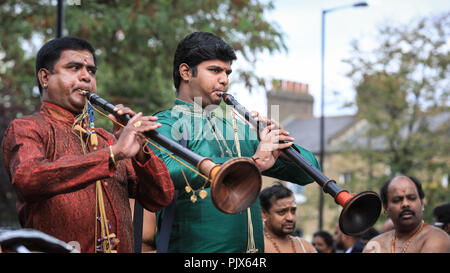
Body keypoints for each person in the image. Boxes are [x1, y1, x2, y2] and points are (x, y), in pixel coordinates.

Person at [149, 32, 320, 252]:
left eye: (227, 72)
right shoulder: (163, 123)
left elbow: (309, 172)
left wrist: (285, 150)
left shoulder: (235, 129)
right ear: (185, 72)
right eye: (214, 70)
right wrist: (255, 162)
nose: (224, 80)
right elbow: (166, 171)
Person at [1, 37, 174, 253]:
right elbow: (28, 179)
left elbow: (160, 197)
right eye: (74, 68)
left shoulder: (108, 140)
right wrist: (112, 155)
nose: (86, 77)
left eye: (91, 71)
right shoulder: (28, 127)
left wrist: (140, 151)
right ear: (45, 77)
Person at [363, 176, 450, 253]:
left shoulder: (437, 238)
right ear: (386, 209)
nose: (405, 204)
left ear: (422, 204)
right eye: (397, 200)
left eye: (411, 198)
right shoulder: (375, 244)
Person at [260, 182, 316, 253]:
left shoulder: (305, 247)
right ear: (264, 213)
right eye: (282, 212)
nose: (290, 218)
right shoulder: (254, 246)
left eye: (293, 211)